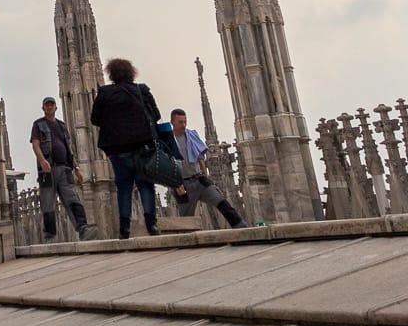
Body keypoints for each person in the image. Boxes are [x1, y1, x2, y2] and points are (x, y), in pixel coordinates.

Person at [90, 57, 182, 238]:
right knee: (145, 184)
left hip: (117, 150)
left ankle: (124, 228)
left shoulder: (104, 93)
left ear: (112, 74)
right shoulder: (141, 90)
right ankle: (152, 225)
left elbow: (95, 119)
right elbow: (155, 115)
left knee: (124, 187)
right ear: (131, 73)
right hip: (142, 146)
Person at [168, 108, 245, 228]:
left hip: (199, 180)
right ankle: (186, 242)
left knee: (222, 203)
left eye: (185, 121)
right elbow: (166, 166)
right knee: (186, 220)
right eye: (180, 122)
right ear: (172, 122)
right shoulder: (167, 141)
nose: (184, 125)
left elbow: (200, 157)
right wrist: (175, 185)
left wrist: (205, 175)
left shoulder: (191, 135)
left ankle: (241, 228)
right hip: (183, 184)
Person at [28, 97, 91, 241]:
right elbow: (36, 144)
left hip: (65, 169)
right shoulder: (38, 124)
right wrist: (42, 161)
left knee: (72, 198)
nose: (49, 107)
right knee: (47, 202)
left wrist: (76, 168)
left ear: (56, 108)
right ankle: (50, 235)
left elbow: (69, 149)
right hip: (47, 170)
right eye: (47, 105)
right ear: (43, 108)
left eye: (52, 105)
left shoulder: (62, 126)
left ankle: (82, 228)